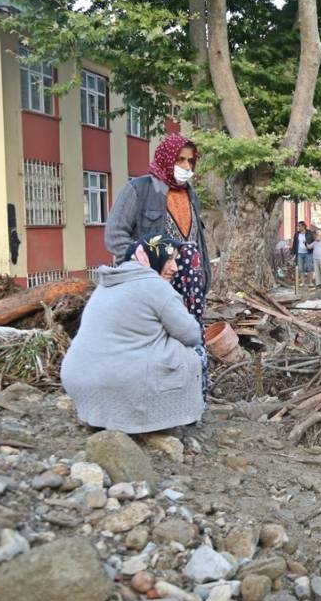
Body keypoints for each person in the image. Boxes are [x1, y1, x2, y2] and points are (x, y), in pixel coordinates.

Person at [61, 235, 204, 434]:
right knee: (193, 353)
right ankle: (159, 421)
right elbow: (191, 334)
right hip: (121, 381)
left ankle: (102, 418)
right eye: (169, 259)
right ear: (151, 257)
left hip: (78, 379)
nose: (175, 268)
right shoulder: (157, 287)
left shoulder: (106, 284)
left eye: (176, 261)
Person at [106, 134, 211, 293]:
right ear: (166, 158)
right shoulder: (138, 189)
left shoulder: (191, 194)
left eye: (190, 161)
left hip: (190, 284)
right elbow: (114, 235)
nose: (187, 166)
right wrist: (140, 262)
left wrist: (204, 277)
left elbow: (198, 241)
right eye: (180, 159)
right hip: (151, 283)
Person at [291, 221, 315, 287]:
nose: (298, 227)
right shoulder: (296, 234)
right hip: (299, 253)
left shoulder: (309, 233)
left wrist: (312, 249)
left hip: (308, 253)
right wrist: (293, 253)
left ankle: (310, 282)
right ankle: (302, 283)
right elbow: (294, 243)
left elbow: (313, 242)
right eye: (298, 226)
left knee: (309, 268)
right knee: (301, 268)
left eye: (300, 226)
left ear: (303, 226)